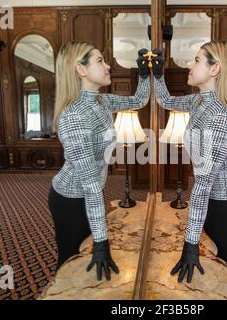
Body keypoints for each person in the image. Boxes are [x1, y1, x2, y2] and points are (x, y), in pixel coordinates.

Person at [151, 41, 227, 291]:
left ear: (215, 68)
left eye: (197, 60)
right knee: (213, 261)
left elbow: (204, 185)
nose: (190, 65)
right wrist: (157, 72)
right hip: (213, 197)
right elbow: (165, 100)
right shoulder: (200, 101)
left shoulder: (220, 117)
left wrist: (190, 242)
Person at [48, 41, 150, 281]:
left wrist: (145, 76)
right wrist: (102, 243)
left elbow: (138, 101)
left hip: (92, 193)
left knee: (86, 262)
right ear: (81, 70)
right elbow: (90, 185)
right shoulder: (73, 117)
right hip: (70, 200)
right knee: (70, 261)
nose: (107, 67)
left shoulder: (101, 101)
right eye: (100, 61)